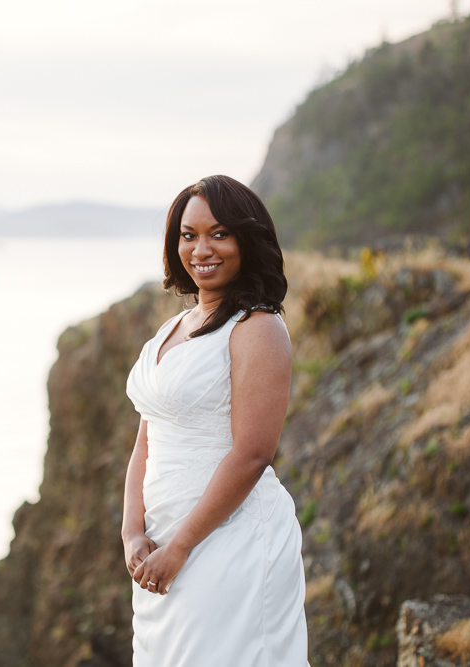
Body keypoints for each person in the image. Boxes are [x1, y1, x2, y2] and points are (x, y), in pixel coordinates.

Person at [122, 174, 309, 665]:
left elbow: (251, 455)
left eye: (219, 233)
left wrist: (180, 546)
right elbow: (146, 442)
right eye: (189, 235)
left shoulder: (259, 329)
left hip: (228, 539)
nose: (202, 248)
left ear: (247, 240)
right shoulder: (173, 328)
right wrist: (132, 533)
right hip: (160, 544)